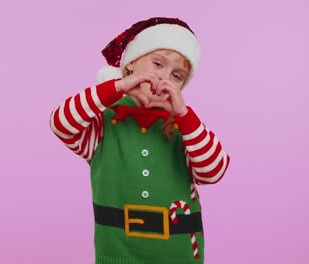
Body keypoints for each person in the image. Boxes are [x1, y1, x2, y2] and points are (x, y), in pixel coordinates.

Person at [50, 17, 231, 264]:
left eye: (177, 76)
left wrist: (184, 115)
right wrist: (118, 87)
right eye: (158, 64)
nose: (165, 78)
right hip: (118, 255)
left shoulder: (184, 130)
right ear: (132, 63)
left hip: (178, 256)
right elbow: (61, 123)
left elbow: (213, 171)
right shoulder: (103, 124)